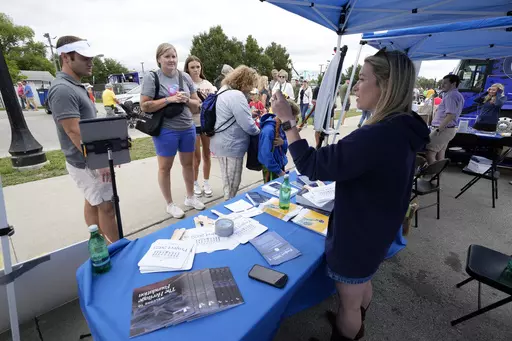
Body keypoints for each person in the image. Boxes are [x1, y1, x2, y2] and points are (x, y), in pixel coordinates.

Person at [271, 49, 430, 341]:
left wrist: (289, 122)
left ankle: (350, 327)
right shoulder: (404, 126)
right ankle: (355, 319)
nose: (355, 86)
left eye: (362, 79)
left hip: (359, 234)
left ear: (386, 85)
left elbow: (310, 164)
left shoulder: (377, 135)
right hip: (377, 227)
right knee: (360, 286)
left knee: (349, 302)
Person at [48, 35, 118, 243]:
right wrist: (99, 161)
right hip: (85, 161)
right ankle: (117, 252)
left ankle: (99, 243)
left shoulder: (75, 85)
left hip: (87, 158)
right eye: (84, 58)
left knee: (93, 201)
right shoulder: (62, 89)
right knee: (106, 207)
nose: (91, 62)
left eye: (91, 57)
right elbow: (74, 131)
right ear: (66, 58)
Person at [140, 43, 205, 218]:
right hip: (166, 130)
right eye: (167, 56)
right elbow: (145, 106)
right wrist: (169, 100)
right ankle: (169, 204)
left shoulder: (185, 77)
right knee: (165, 168)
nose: (171, 60)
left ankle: (190, 197)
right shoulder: (152, 77)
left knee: (188, 164)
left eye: (174, 56)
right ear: (159, 59)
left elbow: (197, 104)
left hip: (187, 128)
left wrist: (185, 100)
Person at [210, 65, 260, 199]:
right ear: (245, 82)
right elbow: (248, 126)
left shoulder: (224, 90)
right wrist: (259, 131)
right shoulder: (236, 95)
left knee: (228, 181)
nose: (251, 89)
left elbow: (231, 115)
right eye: (251, 84)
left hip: (223, 142)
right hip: (231, 145)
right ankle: (227, 212)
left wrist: (248, 113)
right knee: (232, 185)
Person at [184, 55, 216, 198]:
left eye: (198, 66)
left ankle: (207, 182)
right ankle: (195, 183)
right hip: (192, 123)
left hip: (206, 124)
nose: (196, 70)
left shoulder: (208, 84)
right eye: (192, 67)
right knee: (195, 158)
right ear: (187, 69)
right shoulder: (185, 84)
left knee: (207, 155)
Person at [425, 74, 464, 165]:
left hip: (443, 129)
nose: (442, 85)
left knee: (430, 153)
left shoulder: (451, 96)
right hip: (449, 129)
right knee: (440, 155)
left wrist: (438, 130)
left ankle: (433, 176)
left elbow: (450, 115)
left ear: (453, 84)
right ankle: (437, 177)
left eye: (445, 83)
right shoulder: (457, 95)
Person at [258, 99, 300, 182]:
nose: (295, 119)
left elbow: (286, 142)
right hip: (271, 168)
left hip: (279, 164)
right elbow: (266, 156)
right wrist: (279, 172)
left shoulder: (282, 125)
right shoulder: (268, 131)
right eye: (293, 116)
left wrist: (283, 142)